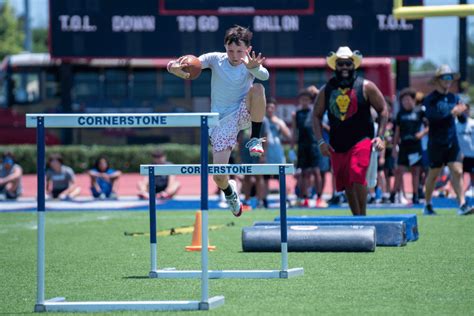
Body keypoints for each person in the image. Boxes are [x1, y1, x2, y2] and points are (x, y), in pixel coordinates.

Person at [167, 25, 269, 217]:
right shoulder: (215, 59)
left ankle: (255, 139)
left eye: (239, 50)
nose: (234, 55)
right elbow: (191, 63)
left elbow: (265, 76)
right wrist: (174, 67)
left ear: (247, 48)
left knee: (258, 89)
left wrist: (254, 68)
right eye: (231, 50)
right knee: (219, 176)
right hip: (221, 122)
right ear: (225, 46)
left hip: (243, 111)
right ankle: (230, 192)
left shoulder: (250, 63)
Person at [312, 46, 388, 216]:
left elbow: (383, 109)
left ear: (354, 65)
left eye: (348, 63)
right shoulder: (327, 89)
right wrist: (321, 141)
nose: (344, 67)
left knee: (356, 174)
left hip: (362, 139)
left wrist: (381, 136)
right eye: (341, 64)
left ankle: (363, 217)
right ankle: (357, 218)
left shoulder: (366, 86)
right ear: (335, 66)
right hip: (338, 143)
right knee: (346, 182)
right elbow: (315, 115)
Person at [422, 65, 472, 216]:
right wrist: (452, 112)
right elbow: (433, 118)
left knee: (457, 171)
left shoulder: (454, 98)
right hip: (436, 142)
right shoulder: (430, 99)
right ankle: (428, 204)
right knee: (434, 174)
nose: (448, 80)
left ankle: (462, 204)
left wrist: (463, 111)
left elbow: (461, 118)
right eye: (445, 77)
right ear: (438, 80)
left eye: (450, 77)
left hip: (452, 141)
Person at [391, 88, 429, 205]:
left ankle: (415, 195)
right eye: (403, 100)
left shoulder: (420, 112)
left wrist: (421, 134)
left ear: (413, 100)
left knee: (415, 172)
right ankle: (393, 194)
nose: (406, 102)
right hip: (403, 146)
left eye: (408, 100)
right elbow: (397, 132)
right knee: (399, 171)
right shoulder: (400, 114)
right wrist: (394, 147)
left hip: (415, 146)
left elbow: (429, 126)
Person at [290, 89, 326, 207]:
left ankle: (319, 197)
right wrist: (291, 147)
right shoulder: (296, 114)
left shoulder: (314, 112)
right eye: (302, 100)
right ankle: (304, 198)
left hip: (314, 145)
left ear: (310, 101)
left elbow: (321, 127)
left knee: (316, 171)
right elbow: (294, 131)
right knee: (304, 173)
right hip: (302, 146)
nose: (304, 102)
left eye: (306, 99)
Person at [261, 97, 291, 207]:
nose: (269, 109)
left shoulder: (278, 121)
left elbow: (289, 135)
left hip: (277, 153)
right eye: (267, 107)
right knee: (265, 178)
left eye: (272, 107)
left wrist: (279, 124)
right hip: (266, 154)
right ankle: (264, 201)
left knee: (281, 178)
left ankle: (286, 199)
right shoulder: (261, 121)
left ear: (275, 109)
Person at [456, 106, 474, 204]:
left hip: (472, 154)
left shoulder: (472, 123)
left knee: (472, 175)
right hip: (460, 155)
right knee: (459, 175)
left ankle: (472, 190)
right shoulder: (455, 124)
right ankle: (460, 194)